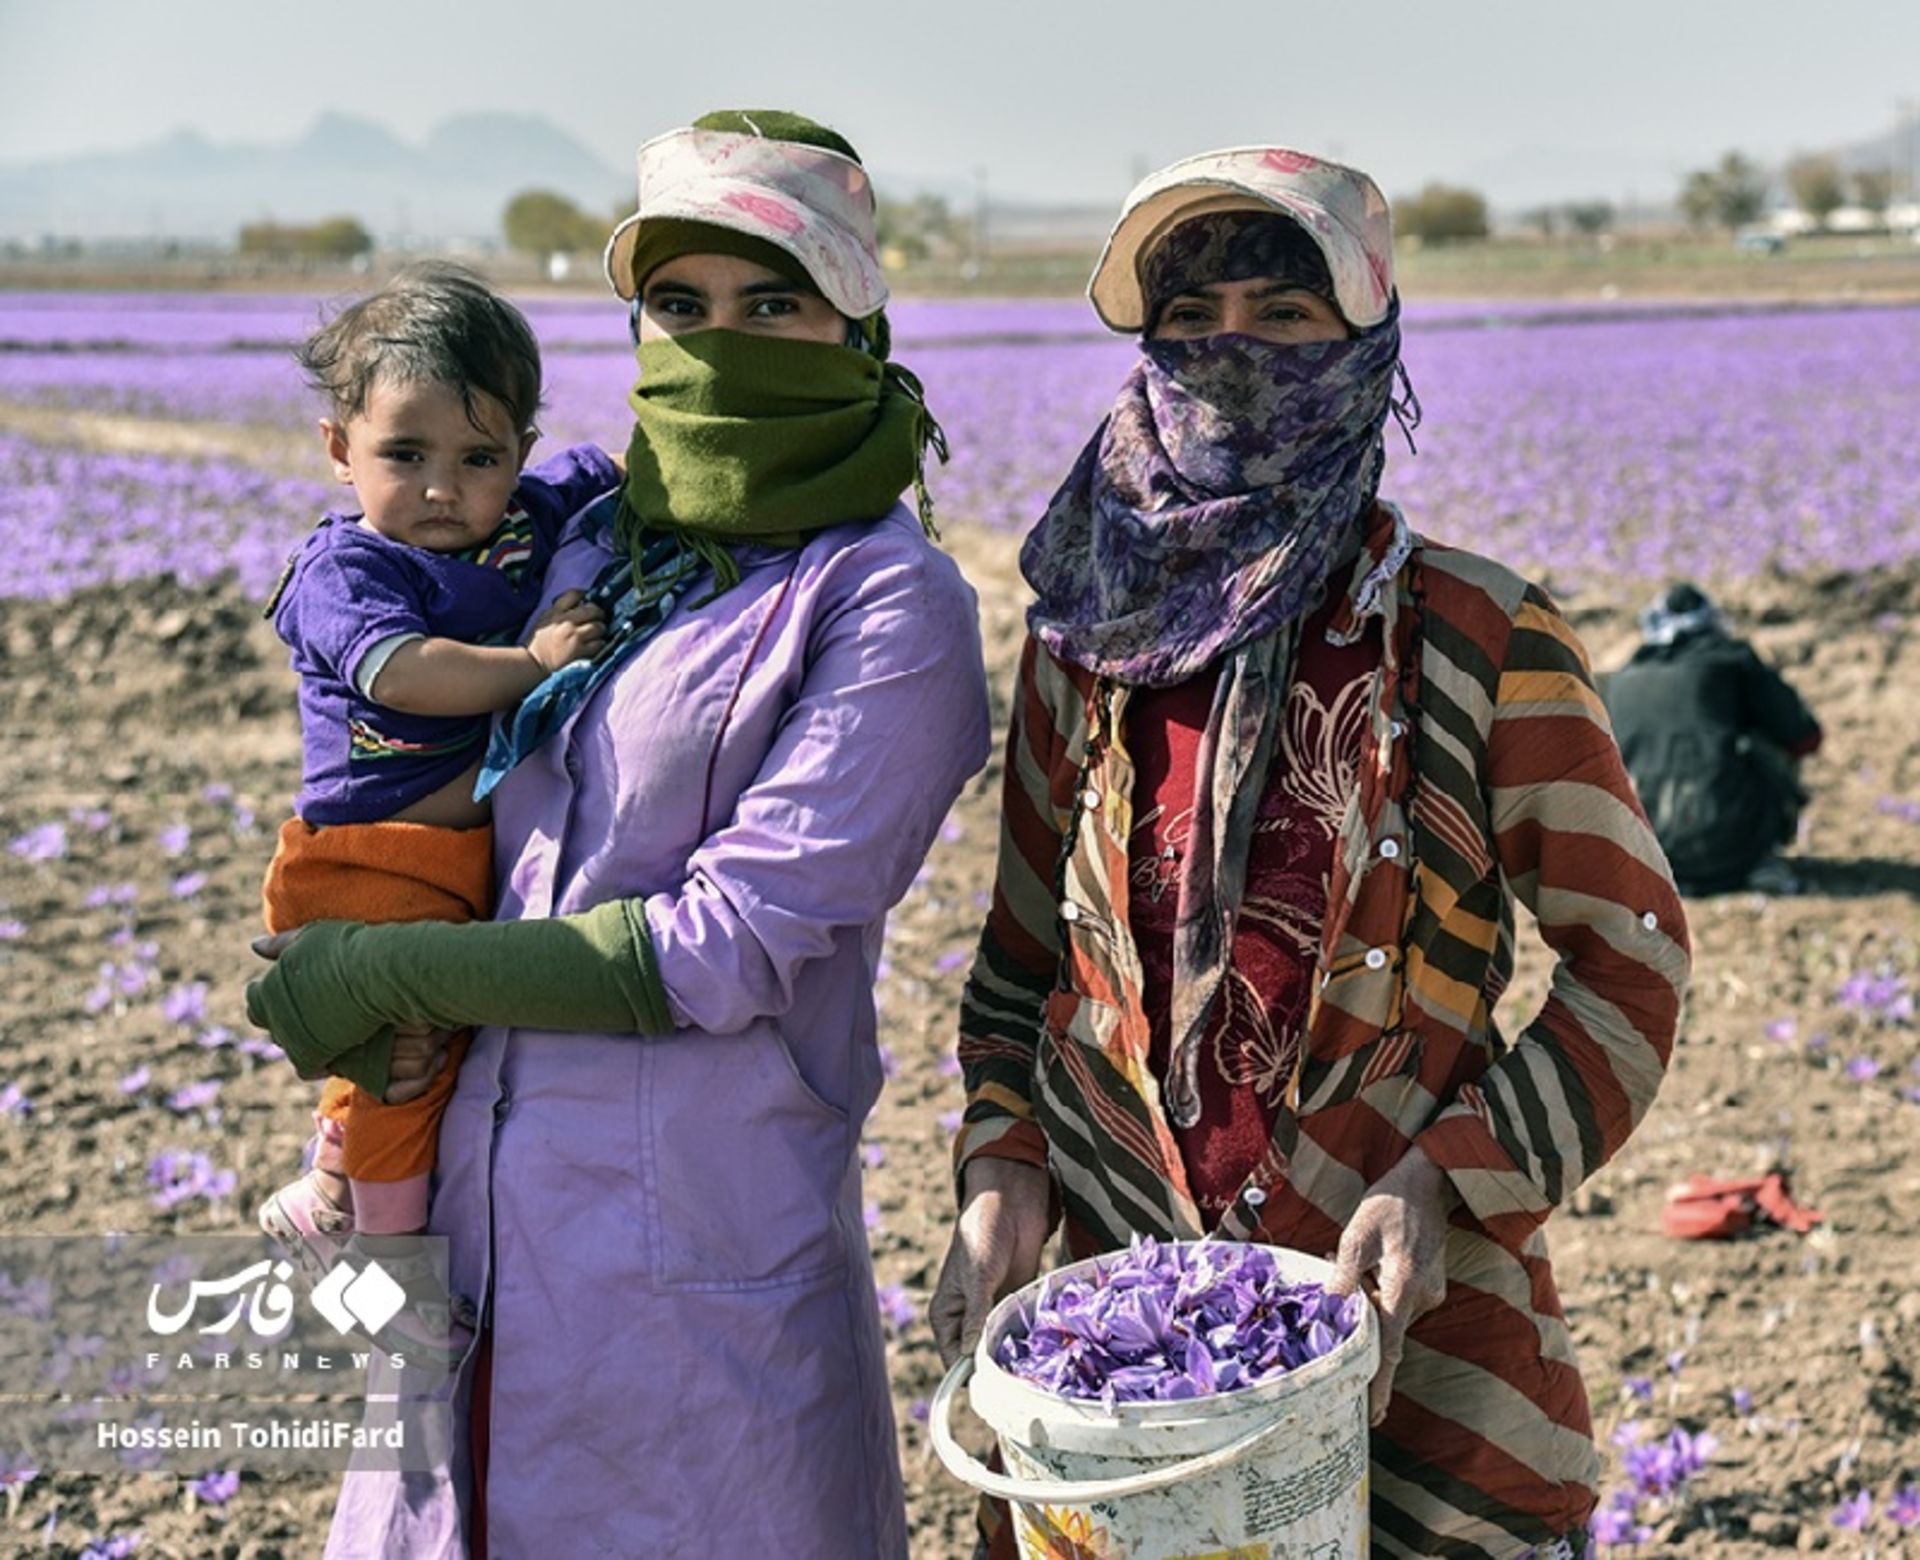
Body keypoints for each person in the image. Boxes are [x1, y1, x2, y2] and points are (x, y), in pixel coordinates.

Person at [245, 110, 991, 1558]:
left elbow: (726, 948)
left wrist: (399, 977)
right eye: (678, 305)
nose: (723, 339)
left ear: (857, 322)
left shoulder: (887, 605)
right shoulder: (592, 541)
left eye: (774, 301)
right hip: (463, 1210)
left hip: (695, 1261)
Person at [932, 147, 1692, 1558]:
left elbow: (1628, 970)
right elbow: (1015, 980)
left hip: (1414, 1312)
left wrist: (1442, 1179)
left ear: (1367, 344)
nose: (1232, 354)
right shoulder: (1081, 657)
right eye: (1191, 315)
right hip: (1133, 1360)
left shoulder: (1478, 641)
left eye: (1284, 316)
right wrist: (1004, 1170)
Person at [256, 263, 615, 1293]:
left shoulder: (520, 515)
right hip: (370, 857)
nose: (442, 490)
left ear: (519, 455)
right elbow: (408, 676)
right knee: (402, 1070)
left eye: (479, 457)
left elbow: (612, 470)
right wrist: (534, 665)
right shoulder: (346, 574)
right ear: (338, 450)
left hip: (449, 851)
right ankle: (389, 1256)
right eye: (403, 454)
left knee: (424, 1049)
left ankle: (329, 1189)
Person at [1604, 580, 1821, 895]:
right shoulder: (1732, 661)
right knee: (1766, 740)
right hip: (1730, 848)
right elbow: (1805, 737)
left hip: (1647, 856)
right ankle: (1758, 853)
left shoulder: (1622, 680)